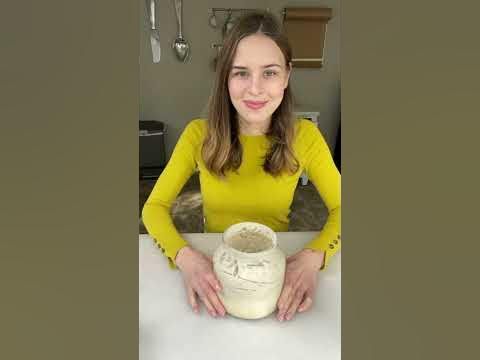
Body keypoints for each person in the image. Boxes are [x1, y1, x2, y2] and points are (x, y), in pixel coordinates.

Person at [142, 10, 340, 322]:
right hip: (217, 267)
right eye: (241, 73)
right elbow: (153, 207)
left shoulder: (306, 137)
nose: (255, 89)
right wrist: (187, 258)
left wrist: (314, 256)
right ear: (225, 78)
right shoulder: (198, 135)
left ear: (287, 76)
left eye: (270, 73)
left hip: (276, 271)